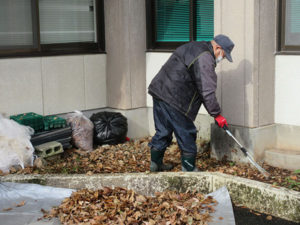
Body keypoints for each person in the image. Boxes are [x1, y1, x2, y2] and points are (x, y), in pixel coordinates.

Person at [148, 34, 234, 172]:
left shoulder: (194, 46)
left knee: (163, 130)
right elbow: (207, 91)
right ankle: (189, 168)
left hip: (160, 91)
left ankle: (155, 164)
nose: (222, 58)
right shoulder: (205, 57)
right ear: (217, 47)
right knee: (186, 133)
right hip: (176, 98)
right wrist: (216, 114)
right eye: (223, 55)